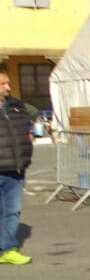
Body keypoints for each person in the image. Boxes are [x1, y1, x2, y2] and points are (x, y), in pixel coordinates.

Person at [0, 69, 34, 266]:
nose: (8, 88)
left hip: (16, 168)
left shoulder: (16, 106)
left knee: (13, 211)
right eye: (3, 84)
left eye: (8, 83)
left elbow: (28, 127)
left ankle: (7, 249)